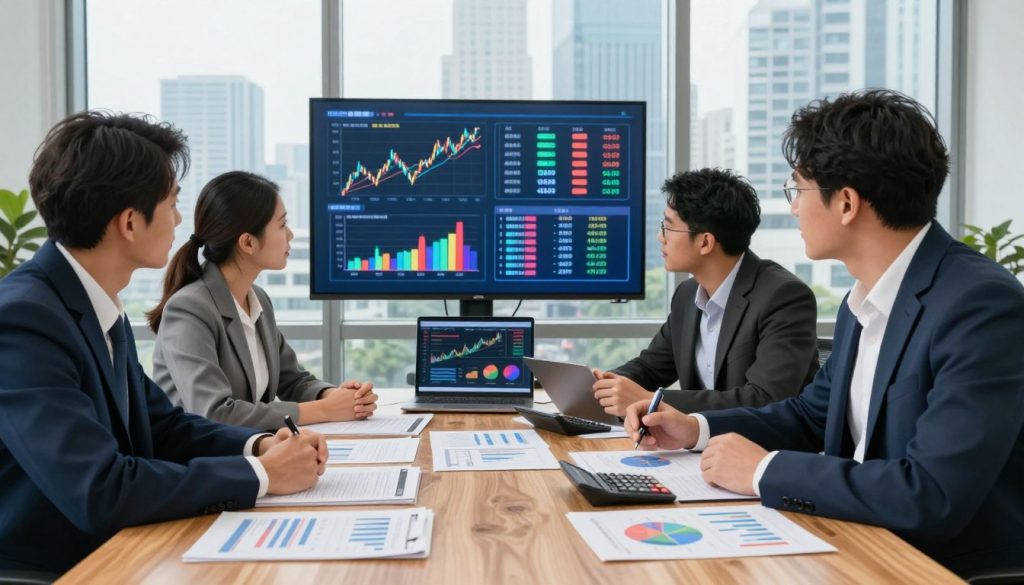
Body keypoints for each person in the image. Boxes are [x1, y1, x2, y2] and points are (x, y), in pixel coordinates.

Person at [624, 89, 1024, 577]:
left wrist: (763, 470)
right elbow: (810, 416)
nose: (792, 209)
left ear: (847, 203)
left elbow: (932, 494)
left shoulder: (979, 305)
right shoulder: (866, 297)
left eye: (798, 190)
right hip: (853, 541)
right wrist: (696, 429)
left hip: (935, 567)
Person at [0, 112, 328, 574]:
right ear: (130, 222)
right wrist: (262, 476)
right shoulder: (25, 319)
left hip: (127, 548)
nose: (179, 219)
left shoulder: (92, 304)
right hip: (66, 569)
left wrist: (257, 446)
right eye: (172, 202)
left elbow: (164, 427)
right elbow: (99, 488)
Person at [149, 171, 378, 429]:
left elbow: (293, 380)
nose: (290, 234)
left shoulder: (257, 299)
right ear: (248, 242)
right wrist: (325, 409)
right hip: (199, 462)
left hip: (250, 451)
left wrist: (337, 397)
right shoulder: (190, 309)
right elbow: (214, 413)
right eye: (282, 225)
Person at [592, 168, 819, 416]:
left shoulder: (783, 297)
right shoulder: (687, 295)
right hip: (696, 447)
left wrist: (652, 400)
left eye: (668, 227)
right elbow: (650, 368)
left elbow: (764, 399)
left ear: (705, 242)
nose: (660, 237)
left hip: (762, 449)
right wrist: (603, 386)